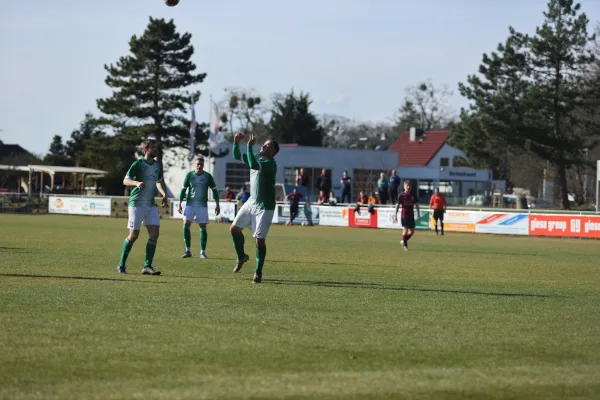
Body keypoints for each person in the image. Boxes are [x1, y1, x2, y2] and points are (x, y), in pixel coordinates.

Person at [229, 132, 279, 284]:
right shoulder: (256, 156)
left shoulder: (270, 164)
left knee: (259, 241)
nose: (263, 146)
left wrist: (249, 147)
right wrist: (236, 142)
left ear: (273, 152)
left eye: (267, 145)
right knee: (234, 229)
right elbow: (236, 156)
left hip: (265, 207)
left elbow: (252, 165)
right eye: (264, 144)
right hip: (251, 202)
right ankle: (242, 256)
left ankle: (258, 272)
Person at [117, 139, 168, 275]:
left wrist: (163, 193)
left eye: (156, 147)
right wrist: (136, 182)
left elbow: (158, 182)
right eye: (153, 147)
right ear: (146, 150)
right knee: (133, 235)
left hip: (150, 204)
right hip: (136, 204)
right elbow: (125, 180)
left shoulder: (158, 165)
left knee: (154, 234)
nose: (156, 150)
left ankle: (147, 266)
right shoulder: (138, 164)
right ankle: (121, 264)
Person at [177, 157, 220, 259]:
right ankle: (188, 251)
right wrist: (179, 204)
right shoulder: (189, 175)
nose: (199, 166)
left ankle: (202, 252)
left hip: (202, 206)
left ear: (203, 165)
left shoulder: (208, 176)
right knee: (186, 226)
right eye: (198, 164)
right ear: (195, 165)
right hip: (190, 204)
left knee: (203, 228)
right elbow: (183, 191)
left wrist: (217, 204)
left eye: (201, 164)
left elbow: (214, 191)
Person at [393, 180, 420, 251]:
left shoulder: (413, 196)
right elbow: (397, 206)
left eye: (410, 186)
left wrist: (418, 214)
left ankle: (403, 241)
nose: (409, 187)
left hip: (411, 215)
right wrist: (395, 215)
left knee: (412, 231)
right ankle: (405, 245)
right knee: (405, 229)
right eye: (407, 186)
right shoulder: (401, 196)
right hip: (404, 215)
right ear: (404, 187)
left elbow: (416, 205)